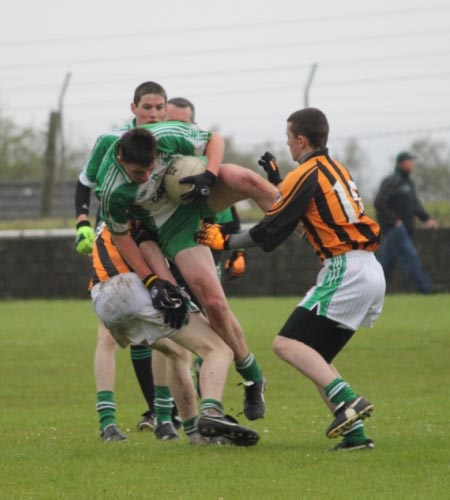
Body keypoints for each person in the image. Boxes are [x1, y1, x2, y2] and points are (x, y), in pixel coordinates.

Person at [196, 107, 386, 451]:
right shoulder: (335, 168)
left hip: (345, 268)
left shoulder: (306, 172)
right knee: (316, 357)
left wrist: (226, 241)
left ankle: (350, 399)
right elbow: (302, 206)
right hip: (368, 267)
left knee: (285, 344)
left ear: (301, 140)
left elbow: (272, 229)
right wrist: (280, 180)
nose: (287, 145)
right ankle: (355, 435)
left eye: (288, 140)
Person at [88, 129, 259, 446]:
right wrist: (159, 283)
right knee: (217, 349)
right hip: (131, 289)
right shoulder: (147, 210)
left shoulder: (112, 196)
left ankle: (184, 429)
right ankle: (210, 413)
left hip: (102, 299)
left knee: (177, 353)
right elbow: (148, 248)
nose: (147, 178)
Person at [374, 151, 437, 294]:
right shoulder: (392, 181)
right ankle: (426, 288)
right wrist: (395, 221)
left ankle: (372, 290)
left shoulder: (409, 184)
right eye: (410, 161)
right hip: (396, 229)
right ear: (401, 163)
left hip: (403, 230)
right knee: (411, 257)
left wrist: (427, 218)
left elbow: (415, 205)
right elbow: (379, 203)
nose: (412, 164)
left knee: (386, 263)